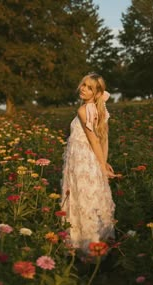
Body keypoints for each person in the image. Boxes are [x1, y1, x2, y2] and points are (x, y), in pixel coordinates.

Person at [61, 73, 116, 254]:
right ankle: (96, 244)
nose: (83, 89)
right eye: (83, 85)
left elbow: (96, 139)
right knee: (90, 197)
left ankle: (86, 247)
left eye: (89, 87)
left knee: (83, 199)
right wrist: (103, 163)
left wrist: (103, 166)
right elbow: (103, 139)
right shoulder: (97, 109)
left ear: (97, 92)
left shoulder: (84, 111)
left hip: (83, 161)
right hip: (88, 159)